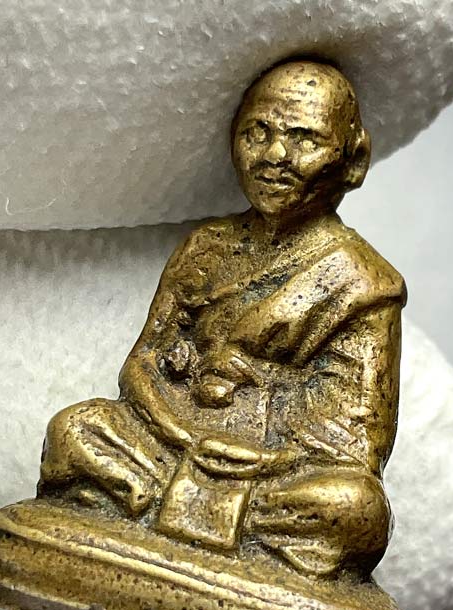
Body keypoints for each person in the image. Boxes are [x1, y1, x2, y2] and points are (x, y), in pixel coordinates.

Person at [39, 60, 406, 578]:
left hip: (272, 475)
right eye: (257, 133)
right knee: (75, 429)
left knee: (356, 510)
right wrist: (181, 432)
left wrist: (264, 446)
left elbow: (358, 442)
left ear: (354, 160)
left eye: (303, 139)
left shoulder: (364, 282)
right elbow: (142, 363)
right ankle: (176, 505)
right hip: (171, 444)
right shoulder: (206, 247)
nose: (274, 156)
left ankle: (175, 509)